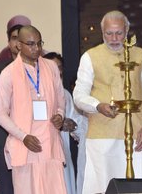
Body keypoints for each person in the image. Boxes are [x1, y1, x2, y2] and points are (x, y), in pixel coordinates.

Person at [73, 10, 142, 193]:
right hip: (103, 138)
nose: (114, 38)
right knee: (105, 187)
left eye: (119, 33)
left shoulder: (141, 55)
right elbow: (79, 95)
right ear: (102, 32)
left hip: (140, 136)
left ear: (127, 30)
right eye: (109, 33)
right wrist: (97, 106)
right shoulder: (90, 57)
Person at [0, 25, 67, 194]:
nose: (36, 48)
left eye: (39, 43)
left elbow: (60, 99)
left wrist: (60, 115)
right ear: (18, 45)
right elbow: (0, 114)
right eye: (30, 44)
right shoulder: (8, 73)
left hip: (50, 145)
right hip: (25, 146)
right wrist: (23, 136)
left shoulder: (51, 68)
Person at [0, 15, 31, 194]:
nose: (18, 43)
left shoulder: (40, 69)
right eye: (14, 38)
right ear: (9, 43)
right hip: (4, 144)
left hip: (32, 142)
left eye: (22, 38)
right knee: (8, 189)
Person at [43, 52, 88, 194]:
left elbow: (80, 127)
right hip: (41, 156)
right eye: (53, 68)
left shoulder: (65, 95)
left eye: (60, 67)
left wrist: (72, 125)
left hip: (63, 155)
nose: (58, 71)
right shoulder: (33, 93)